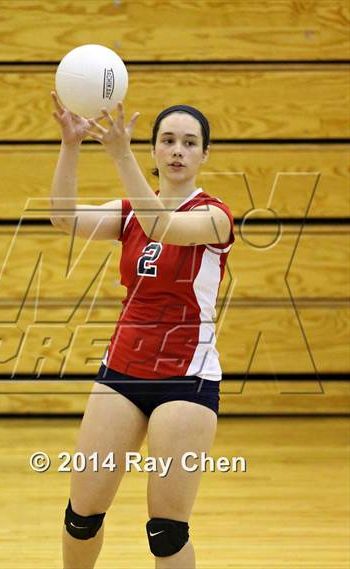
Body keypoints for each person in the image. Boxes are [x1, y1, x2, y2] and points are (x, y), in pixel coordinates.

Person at [50, 91, 235, 569]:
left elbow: (163, 227)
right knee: (81, 516)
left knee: (166, 531)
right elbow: (63, 217)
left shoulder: (215, 216)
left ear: (204, 154)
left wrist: (119, 152)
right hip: (123, 372)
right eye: (168, 140)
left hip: (185, 379)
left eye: (189, 143)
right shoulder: (129, 210)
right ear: (154, 149)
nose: (177, 150)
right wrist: (71, 144)